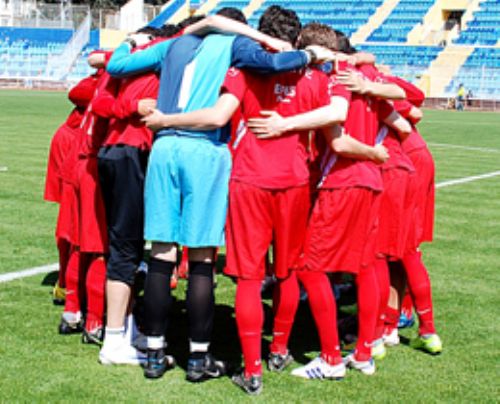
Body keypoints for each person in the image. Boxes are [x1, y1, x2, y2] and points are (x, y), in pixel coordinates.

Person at [106, 9, 330, 382]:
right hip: (205, 151)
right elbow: (275, 63)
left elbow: (117, 66)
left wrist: (131, 40)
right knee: (201, 257)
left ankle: (155, 353)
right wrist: (308, 55)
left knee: (161, 251)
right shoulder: (235, 46)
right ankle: (198, 358)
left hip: (164, 149)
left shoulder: (171, 45)